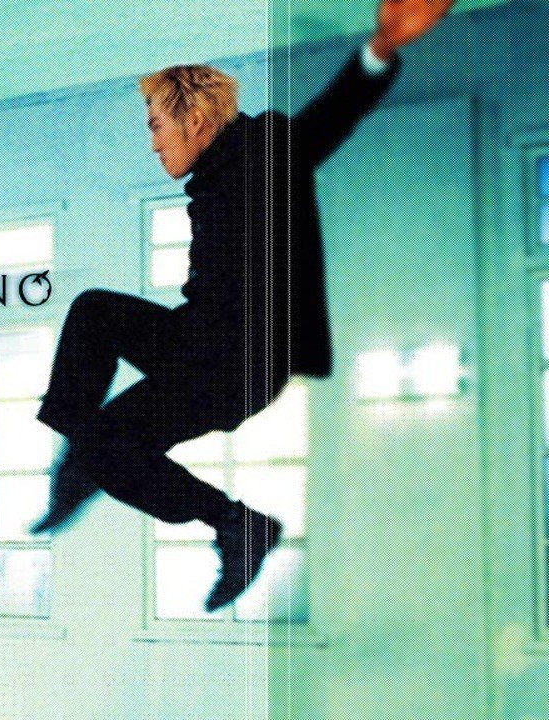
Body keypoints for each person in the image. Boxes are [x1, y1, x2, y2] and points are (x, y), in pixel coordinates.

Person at [31, 0, 453, 612]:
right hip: (202, 345)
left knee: (96, 335)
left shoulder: (263, 150)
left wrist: (381, 48)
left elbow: (327, 121)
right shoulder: (216, 174)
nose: (153, 144)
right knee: (105, 433)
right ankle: (235, 525)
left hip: (236, 361)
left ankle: (79, 461)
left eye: (156, 126)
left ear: (196, 120)